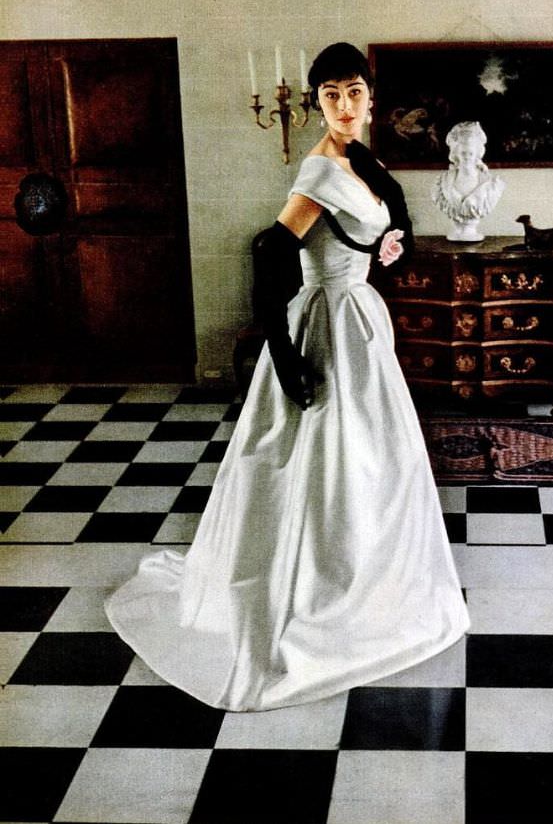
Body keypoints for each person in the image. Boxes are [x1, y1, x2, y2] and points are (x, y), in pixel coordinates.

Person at [105, 43, 470, 712]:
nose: (345, 105)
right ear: (316, 102)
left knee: (370, 459)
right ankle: (316, 595)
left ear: (370, 97)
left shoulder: (363, 160)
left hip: (360, 317)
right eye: (330, 94)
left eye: (354, 91)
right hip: (326, 324)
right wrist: (284, 349)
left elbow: (386, 230)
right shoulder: (321, 169)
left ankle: (367, 580)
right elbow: (269, 250)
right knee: (327, 458)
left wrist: (391, 245)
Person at [431, 120, 505, 241]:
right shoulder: (440, 184)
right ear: (455, 154)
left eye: (470, 153)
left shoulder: (492, 185)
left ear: (477, 153)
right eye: (462, 152)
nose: (466, 156)